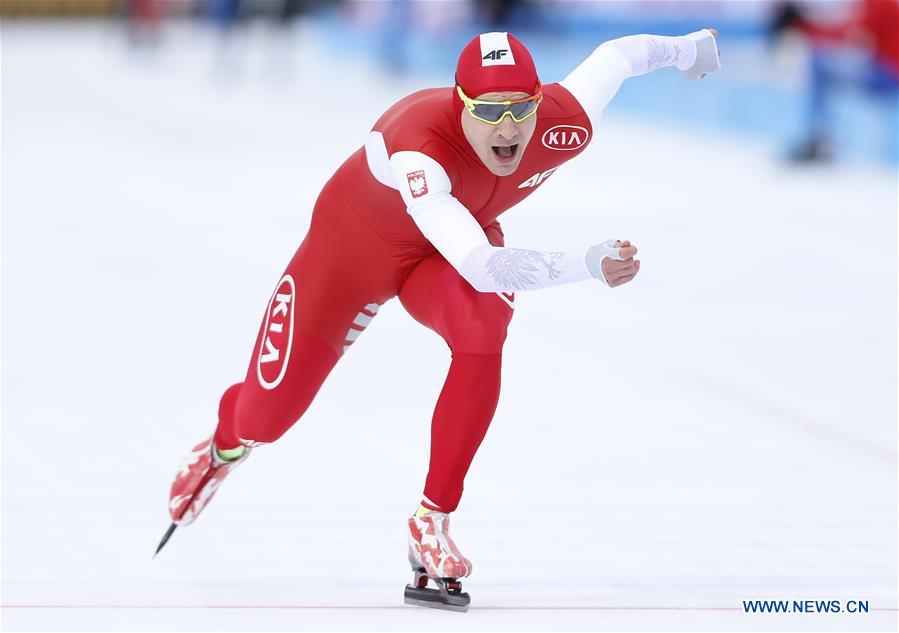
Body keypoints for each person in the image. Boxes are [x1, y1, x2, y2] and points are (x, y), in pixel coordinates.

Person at [157, 28, 721, 610]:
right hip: (348, 262)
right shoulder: (419, 150)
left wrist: (690, 48)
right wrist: (585, 264)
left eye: (521, 108)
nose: (509, 129)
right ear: (460, 104)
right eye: (489, 111)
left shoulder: (561, 121)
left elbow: (617, 58)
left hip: (440, 254)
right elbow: (481, 265)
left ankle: (432, 520)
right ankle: (224, 442)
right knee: (266, 419)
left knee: (483, 329)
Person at [771, 0, 899, 162]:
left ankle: (820, 138)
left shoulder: (879, 2)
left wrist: (804, 26)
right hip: (883, 71)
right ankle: (821, 136)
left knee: (820, 64)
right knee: (822, 65)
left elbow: (849, 34)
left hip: (888, 76)